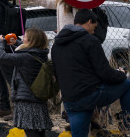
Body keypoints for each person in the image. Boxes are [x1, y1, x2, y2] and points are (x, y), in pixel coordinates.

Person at [52, 9, 130, 137]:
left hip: (70, 100)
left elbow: (58, 72)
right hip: (90, 95)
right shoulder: (90, 40)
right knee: (127, 84)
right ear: (89, 21)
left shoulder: (57, 44)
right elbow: (104, 73)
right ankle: (126, 124)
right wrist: (121, 74)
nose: (95, 30)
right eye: (95, 26)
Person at [0, 28, 53, 137]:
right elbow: (25, 49)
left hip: (27, 101)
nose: (23, 39)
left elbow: (2, 57)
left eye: (25, 37)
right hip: (38, 100)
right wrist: (16, 42)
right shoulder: (40, 54)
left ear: (31, 41)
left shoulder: (25, 57)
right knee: (39, 132)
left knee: (31, 132)